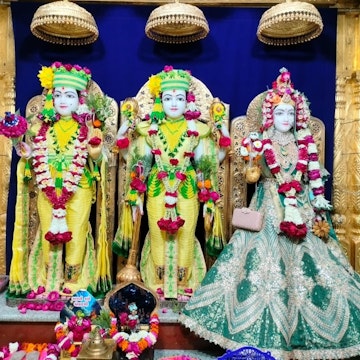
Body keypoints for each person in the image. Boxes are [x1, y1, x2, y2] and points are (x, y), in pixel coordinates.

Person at [179, 68, 360, 359]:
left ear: (297, 116)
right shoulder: (259, 141)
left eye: (290, 114)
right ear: (270, 117)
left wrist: (315, 202)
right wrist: (252, 159)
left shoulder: (305, 144)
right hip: (267, 202)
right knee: (260, 262)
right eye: (279, 114)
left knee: (312, 261)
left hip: (300, 204)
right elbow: (251, 177)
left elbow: (313, 177)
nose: (285, 120)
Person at [113, 65, 230, 300]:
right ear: (159, 102)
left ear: (188, 102)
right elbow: (136, 162)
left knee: (185, 234)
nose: (174, 103)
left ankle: (185, 283)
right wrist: (134, 196)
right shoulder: (149, 130)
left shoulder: (198, 130)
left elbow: (210, 163)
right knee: (158, 234)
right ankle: (156, 281)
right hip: (157, 189)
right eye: (168, 98)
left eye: (179, 98)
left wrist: (222, 129)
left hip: (186, 190)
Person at [6, 62, 112, 297]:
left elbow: (96, 157)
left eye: (69, 95)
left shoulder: (87, 127)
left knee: (75, 233)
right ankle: (48, 279)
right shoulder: (39, 127)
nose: (63, 100)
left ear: (80, 100)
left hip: (79, 188)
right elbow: (28, 154)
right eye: (59, 94)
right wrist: (17, 142)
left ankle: (73, 281)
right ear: (51, 99)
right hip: (47, 189)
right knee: (48, 234)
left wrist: (94, 146)